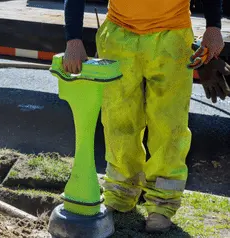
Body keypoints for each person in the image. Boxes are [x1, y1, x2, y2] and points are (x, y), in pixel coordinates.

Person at [63, 0, 225, 233]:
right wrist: (73, 38)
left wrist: (213, 27)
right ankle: (120, 192)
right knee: (118, 119)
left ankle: (162, 204)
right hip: (119, 35)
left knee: (169, 124)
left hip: (172, 38)